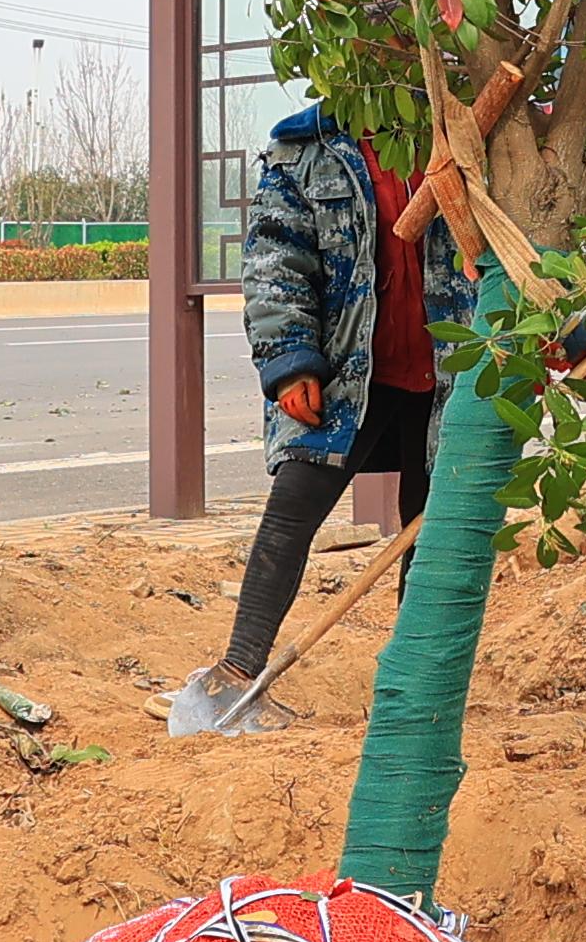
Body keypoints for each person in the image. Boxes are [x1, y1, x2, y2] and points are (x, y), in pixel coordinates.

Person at [178, 97, 470, 721]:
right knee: (292, 512)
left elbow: (520, 246)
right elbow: (275, 264)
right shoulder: (304, 152)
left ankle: (412, 691)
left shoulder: (467, 141)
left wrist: (572, 330)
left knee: (433, 530)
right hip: (344, 379)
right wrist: (290, 361)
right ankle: (236, 673)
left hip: (450, 377)